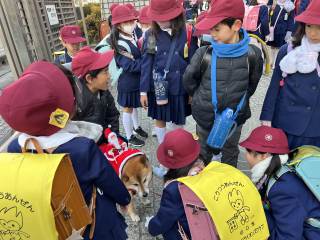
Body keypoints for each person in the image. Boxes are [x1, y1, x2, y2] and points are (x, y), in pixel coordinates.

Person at [0, 60, 131, 240]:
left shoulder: (16, 147)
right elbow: (109, 182)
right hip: (90, 225)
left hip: (50, 224)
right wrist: (125, 199)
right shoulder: (82, 148)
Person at [183, 0, 263, 166]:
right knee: (202, 156)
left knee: (230, 154)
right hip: (205, 117)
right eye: (211, 28)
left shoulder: (253, 55)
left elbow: (251, 86)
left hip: (234, 119)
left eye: (217, 29)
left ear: (236, 25)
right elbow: (189, 81)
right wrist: (199, 99)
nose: (212, 33)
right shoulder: (203, 54)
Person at [239, 126, 320, 239]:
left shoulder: (282, 188)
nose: (245, 155)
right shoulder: (281, 168)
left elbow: (288, 237)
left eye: (248, 151)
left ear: (264, 156)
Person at [260, 0, 320, 149]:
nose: (313, 33)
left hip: (313, 127)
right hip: (284, 122)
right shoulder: (288, 51)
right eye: (309, 25)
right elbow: (274, 86)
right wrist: (266, 117)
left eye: (319, 28)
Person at [140, 0, 198, 144]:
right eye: (157, 17)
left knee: (179, 121)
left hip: (180, 86)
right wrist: (143, 91)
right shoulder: (151, 34)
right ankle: (163, 152)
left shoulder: (188, 32)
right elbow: (147, 63)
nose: (159, 20)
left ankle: (179, 152)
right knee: (160, 120)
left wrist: (192, 91)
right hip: (159, 86)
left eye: (164, 16)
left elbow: (193, 64)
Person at [147, 129, 204, 239]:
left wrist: (151, 226)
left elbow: (164, 219)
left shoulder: (175, 188)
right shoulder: (203, 169)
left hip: (188, 233)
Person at [110, 4, 148, 147]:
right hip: (127, 82)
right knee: (127, 108)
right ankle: (129, 135)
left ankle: (136, 127)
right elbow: (129, 65)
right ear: (118, 25)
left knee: (134, 107)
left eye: (132, 21)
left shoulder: (131, 35)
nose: (131, 24)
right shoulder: (119, 43)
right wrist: (146, 64)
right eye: (127, 22)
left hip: (135, 81)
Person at [71, 46, 120, 144]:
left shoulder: (103, 91)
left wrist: (112, 136)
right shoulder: (76, 104)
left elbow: (113, 116)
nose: (109, 75)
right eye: (105, 71)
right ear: (89, 78)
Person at [267, 0, 295, 67]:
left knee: (278, 47)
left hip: (282, 30)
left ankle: (275, 63)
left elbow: (291, 20)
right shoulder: (275, 4)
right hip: (272, 29)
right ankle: (271, 61)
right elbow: (269, 16)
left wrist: (289, 32)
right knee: (272, 46)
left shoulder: (290, 7)